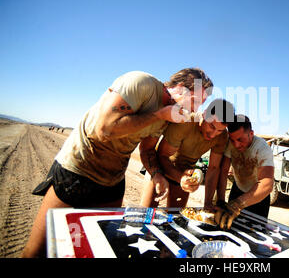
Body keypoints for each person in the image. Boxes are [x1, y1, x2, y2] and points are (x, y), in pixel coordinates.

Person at [22, 68, 213, 258]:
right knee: (39, 250)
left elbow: (147, 150)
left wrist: (156, 174)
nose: (195, 109)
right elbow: (104, 129)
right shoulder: (141, 83)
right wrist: (159, 115)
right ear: (180, 89)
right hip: (79, 168)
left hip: (113, 180)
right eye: (196, 101)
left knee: (96, 247)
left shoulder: (169, 115)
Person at [141, 98, 234, 208]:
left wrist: (208, 204)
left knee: (176, 218)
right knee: (146, 214)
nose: (213, 135)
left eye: (219, 130)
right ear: (204, 115)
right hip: (160, 169)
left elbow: (213, 168)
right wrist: (180, 177)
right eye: (212, 126)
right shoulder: (186, 122)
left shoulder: (222, 137)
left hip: (186, 174)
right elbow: (162, 155)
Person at [215, 115, 274, 229]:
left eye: (240, 140)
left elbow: (267, 184)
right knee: (229, 227)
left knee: (255, 233)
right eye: (232, 140)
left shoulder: (262, 148)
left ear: (251, 134)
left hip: (258, 195)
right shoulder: (230, 144)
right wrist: (221, 200)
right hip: (237, 190)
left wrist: (238, 204)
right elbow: (223, 172)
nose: (236, 145)